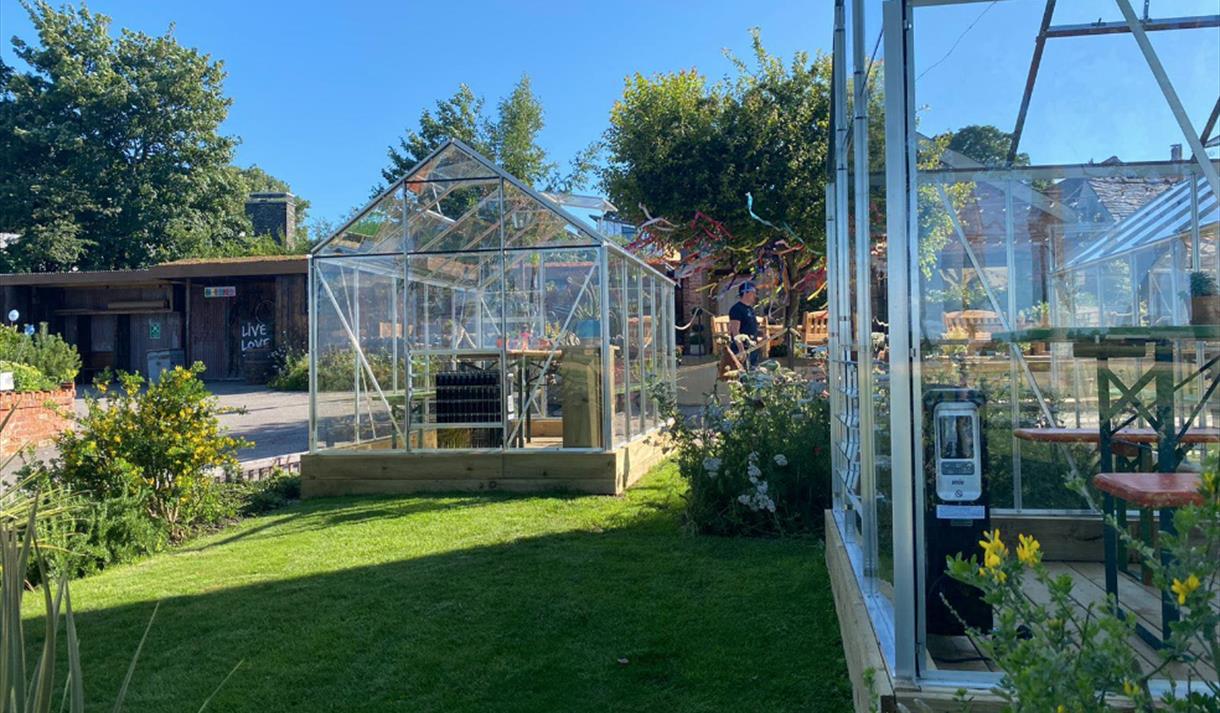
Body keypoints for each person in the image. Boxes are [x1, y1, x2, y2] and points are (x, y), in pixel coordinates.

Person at [727, 281, 761, 369]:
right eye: (753, 293)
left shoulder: (750, 309)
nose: (755, 295)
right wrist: (741, 350)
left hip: (752, 348)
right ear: (746, 293)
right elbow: (735, 331)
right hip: (743, 348)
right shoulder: (736, 309)